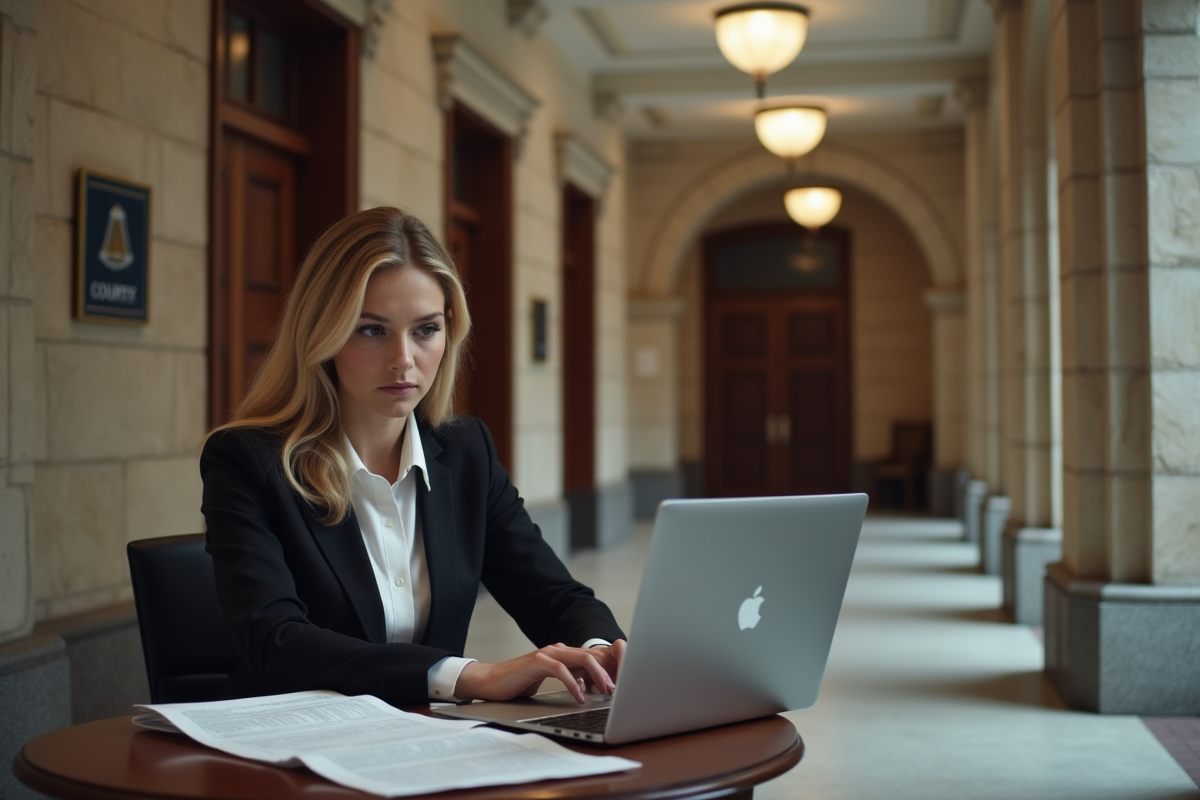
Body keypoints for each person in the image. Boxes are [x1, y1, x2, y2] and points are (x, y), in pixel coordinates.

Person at [201, 207, 626, 708]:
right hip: (292, 746)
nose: (403, 359)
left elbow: (555, 596)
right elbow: (276, 641)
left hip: (427, 744)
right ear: (323, 334)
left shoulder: (467, 451)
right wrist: (470, 676)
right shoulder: (248, 461)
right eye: (371, 330)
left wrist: (599, 651)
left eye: (426, 329)